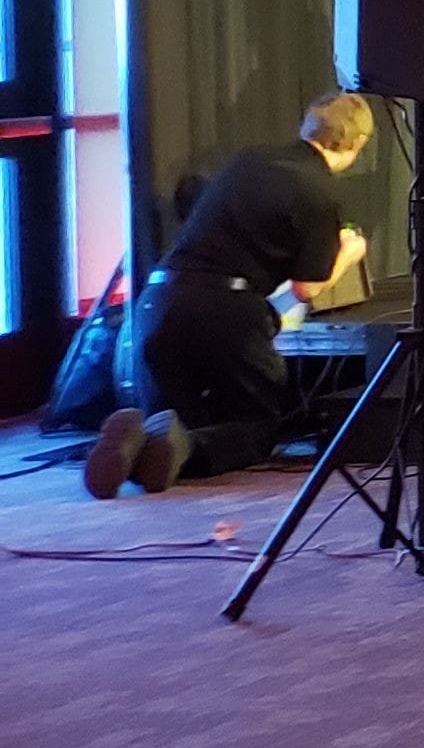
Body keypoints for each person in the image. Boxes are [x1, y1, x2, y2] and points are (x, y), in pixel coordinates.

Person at [88, 92, 371, 497]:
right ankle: (184, 449)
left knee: (173, 417)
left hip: (158, 299)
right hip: (225, 309)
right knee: (257, 425)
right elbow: (308, 287)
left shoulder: (248, 160)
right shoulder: (318, 192)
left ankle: (142, 441)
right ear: (358, 144)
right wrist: (347, 255)